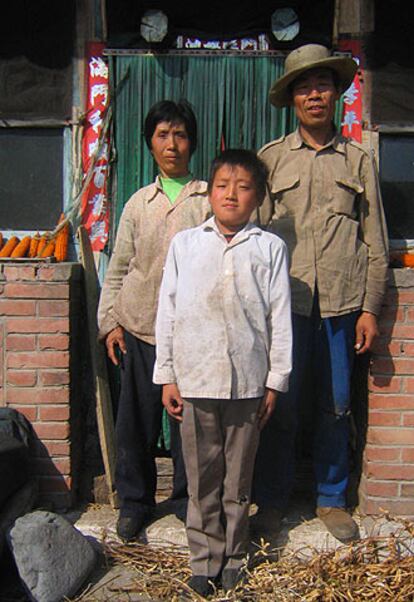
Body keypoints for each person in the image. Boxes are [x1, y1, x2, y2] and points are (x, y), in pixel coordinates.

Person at [252, 44, 389, 543]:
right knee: (279, 405)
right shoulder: (270, 160)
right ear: (292, 99)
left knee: (335, 405)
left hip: (341, 306)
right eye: (305, 88)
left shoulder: (358, 161)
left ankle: (331, 497)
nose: (315, 95)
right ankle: (270, 500)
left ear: (336, 94)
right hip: (283, 307)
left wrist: (370, 308)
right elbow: (253, 237)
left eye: (323, 85)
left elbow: (376, 241)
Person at [153, 149, 292, 596]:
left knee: (237, 479)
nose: (232, 194)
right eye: (222, 186)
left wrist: (275, 380)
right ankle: (203, 558)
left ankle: (234, 555)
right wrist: (168, 375)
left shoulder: (269, 248)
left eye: (244, 186)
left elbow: (280, 318)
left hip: (248, 383)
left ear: (258, 197)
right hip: (195, 378)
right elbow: (168, 310)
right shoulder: (186, 244)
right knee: (202, 476)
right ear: (209, 192)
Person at [97, 100, 211, 541]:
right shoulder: (138, 204)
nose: (171, 144)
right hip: (140, 328)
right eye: (162, 135)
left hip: (192, 334)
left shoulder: (206, 199)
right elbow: (119, 266)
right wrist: (110, 323)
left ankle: (185, 498)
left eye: (180, 135)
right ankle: (135, 501)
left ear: (192, 143)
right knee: (136, 423)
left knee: (189, 422)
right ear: (149, 143)